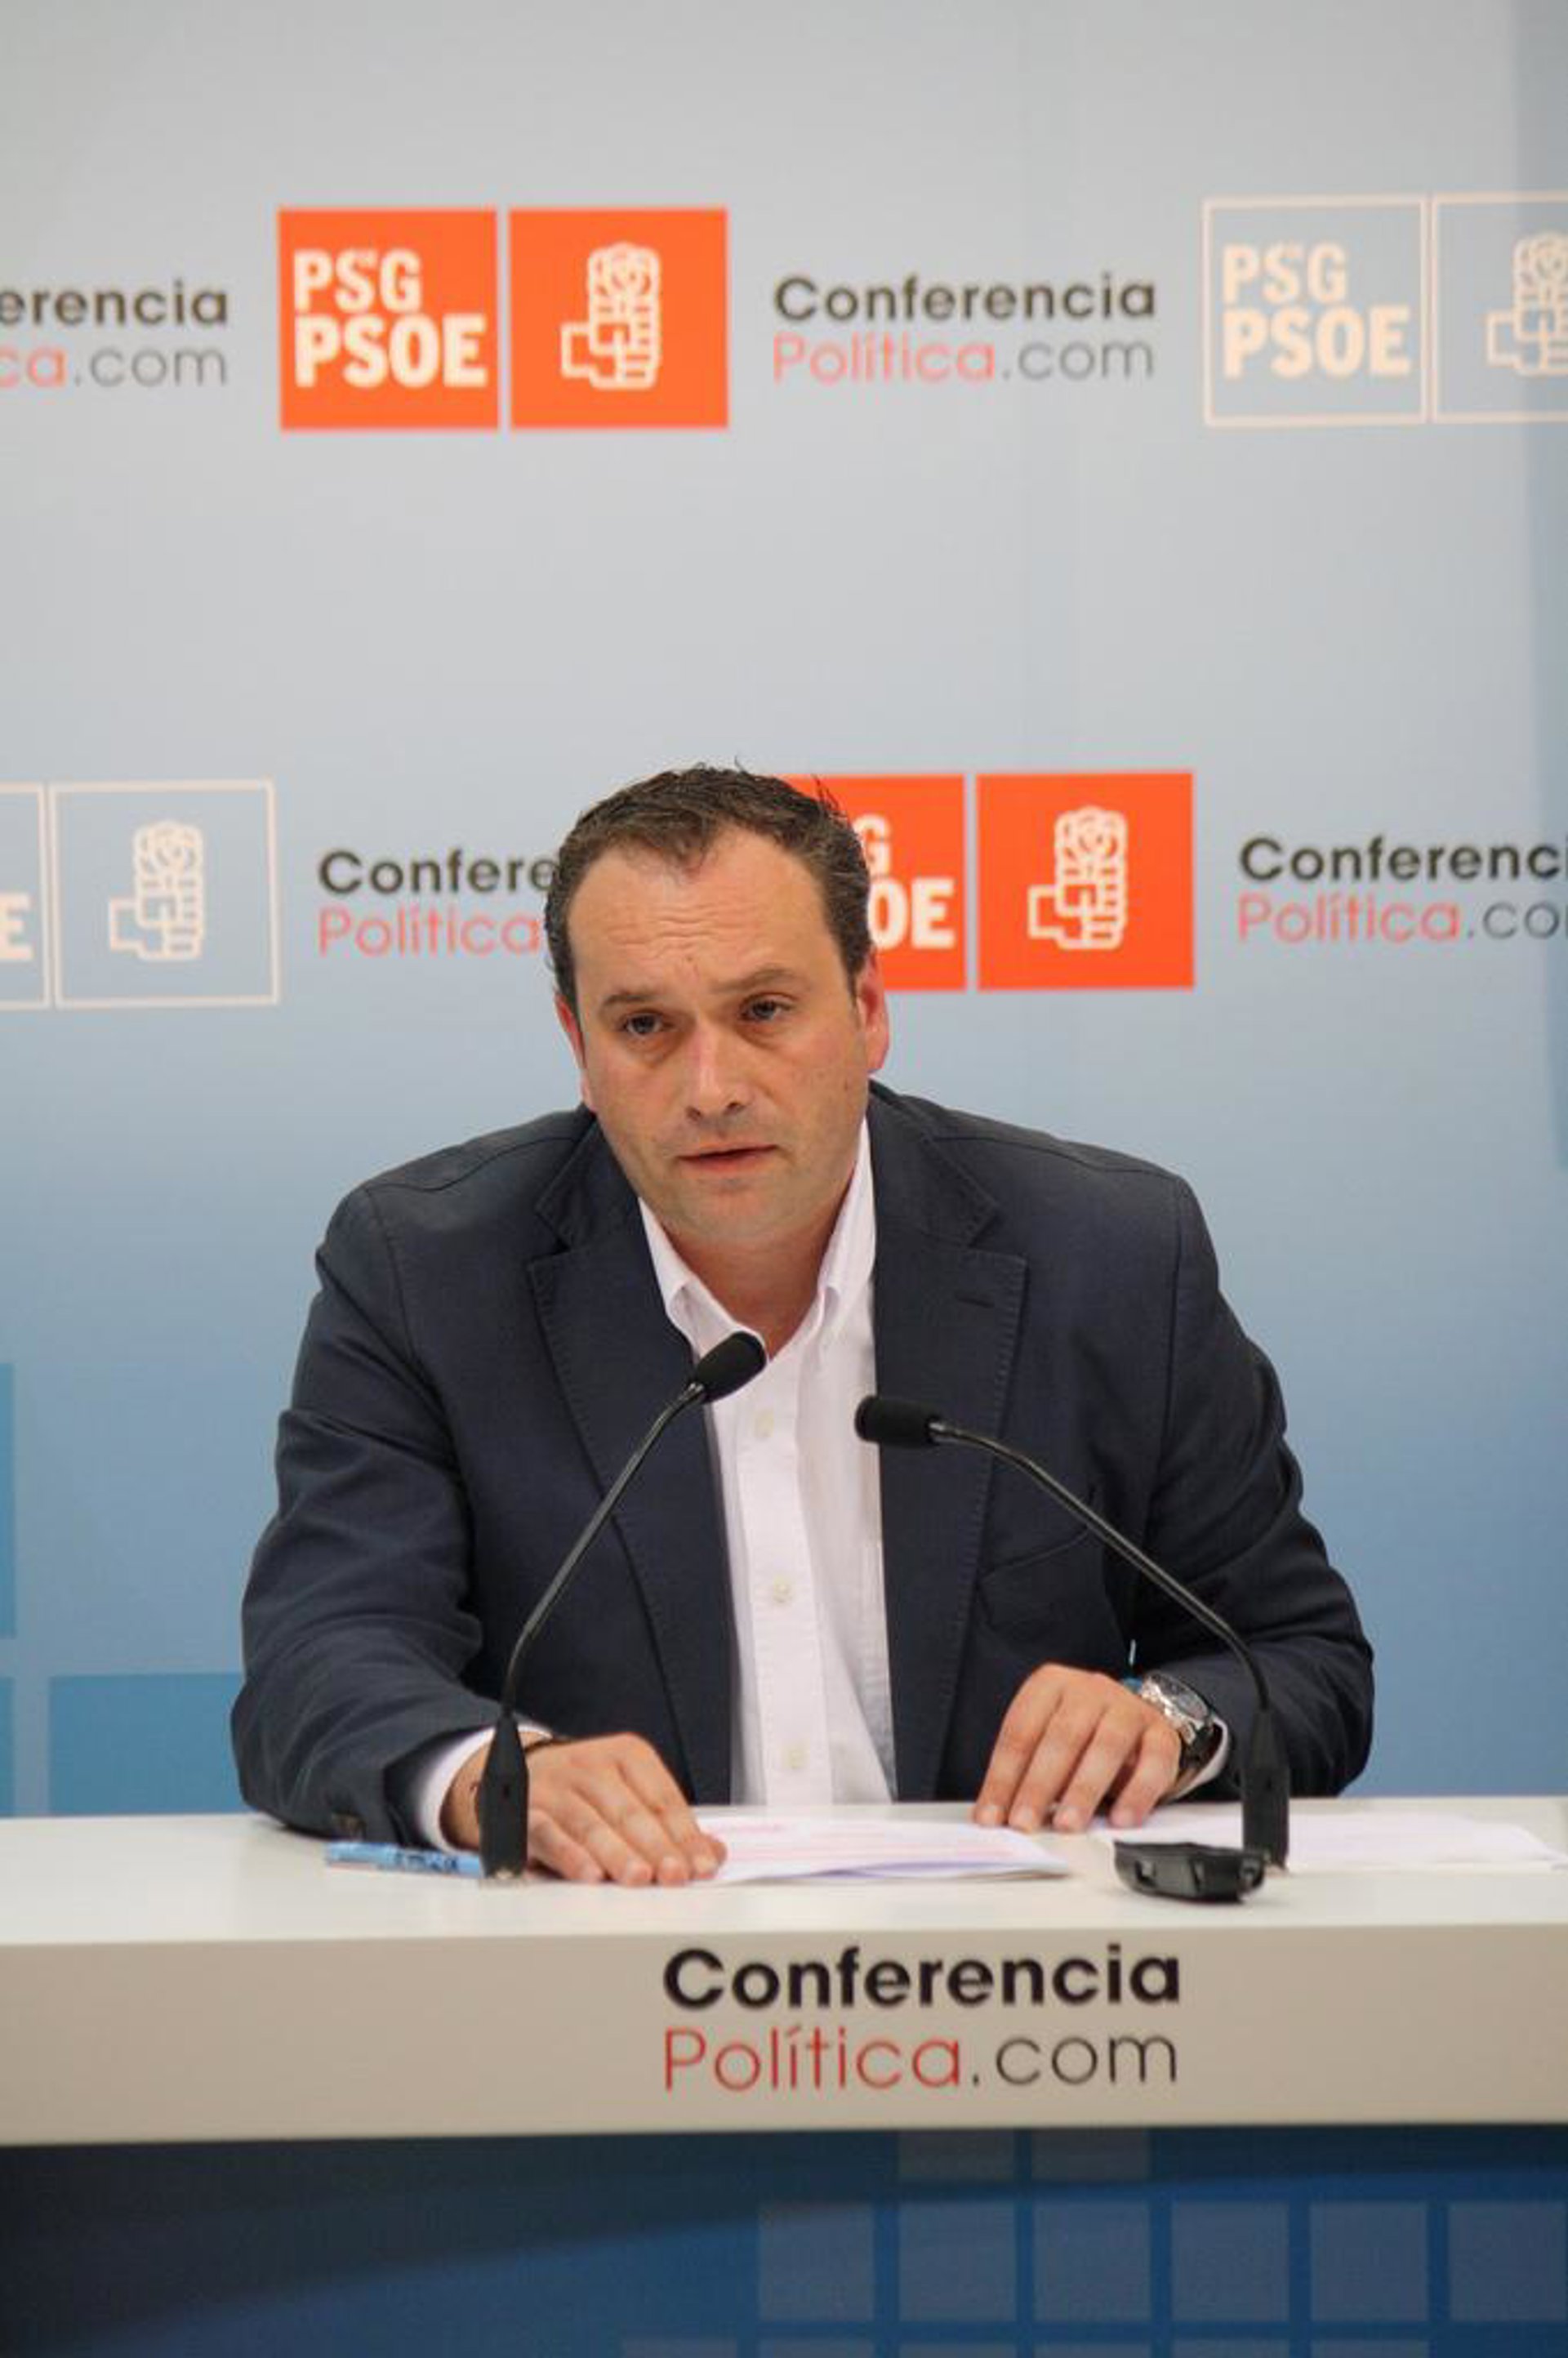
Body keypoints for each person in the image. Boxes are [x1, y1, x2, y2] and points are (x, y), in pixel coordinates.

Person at [234, 767, 1372, 1884]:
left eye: (764, 1011)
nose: (712, 1087)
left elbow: (1298, 1658)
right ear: (579, 1047)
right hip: (601, 1952)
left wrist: (1167, 1720)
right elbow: (321, 1663)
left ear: (868, 1011)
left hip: (1014, 1969)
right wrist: (496, 1775)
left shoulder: (1109, 1256)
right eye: (645, 1026)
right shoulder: (429, 1274)